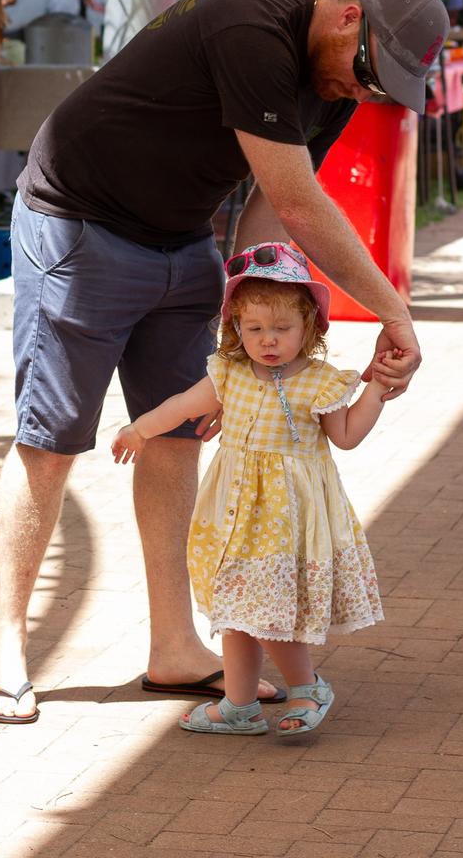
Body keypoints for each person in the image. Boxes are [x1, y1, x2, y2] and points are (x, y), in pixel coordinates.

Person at [0, 0, 449, 724]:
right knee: (52, 441)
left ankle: (174, 649)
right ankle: (5, 643)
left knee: (184, 434)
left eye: (384, 91)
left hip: (179, 240)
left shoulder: (330, 82)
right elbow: (301, 203)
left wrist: (258, 326)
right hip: (79, 226)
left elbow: (268, 211)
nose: (364, 95)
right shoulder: (251, 27)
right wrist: (395, 312)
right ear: (347, 18)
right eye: (369, 74)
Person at [111, 245, 387, 737]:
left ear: (310, 327)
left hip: (287, 520)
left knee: (263, 609)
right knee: (235, 607)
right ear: (236, 327)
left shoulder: (318, 382)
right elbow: (180, 405)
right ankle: (239, 704)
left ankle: (307, 688)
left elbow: (346, 436)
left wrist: (376, 390)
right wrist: (141, 429)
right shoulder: (228, 372)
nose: (268, 341)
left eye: (282, 329)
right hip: (233, 515)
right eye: (254, 328)